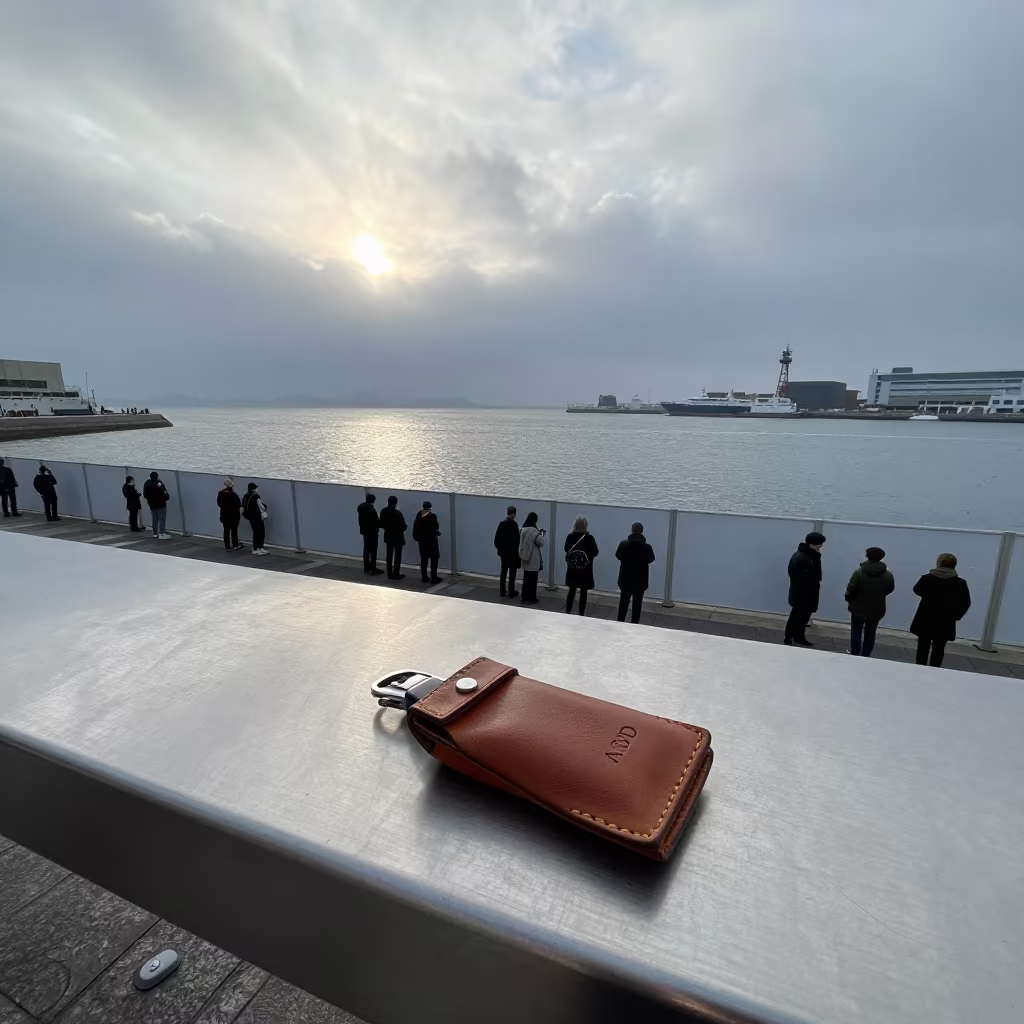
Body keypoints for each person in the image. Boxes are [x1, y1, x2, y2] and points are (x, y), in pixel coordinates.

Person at [910, 553, 972, 667]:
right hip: (946, 620)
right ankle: (935, 670)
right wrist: (956, 615)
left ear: (939, 563)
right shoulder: (960, 583)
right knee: (939, 648)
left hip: (926, 618)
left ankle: (919, 668)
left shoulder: (927, 578)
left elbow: (917, 590)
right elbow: (966, 602)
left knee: (923, 646)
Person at [844, 546, 895, 657]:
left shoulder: (859, 573)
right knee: (871, 632)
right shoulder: (888, 575)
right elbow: (890, 589)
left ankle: (855, 652)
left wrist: (850, 600)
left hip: (859, 606)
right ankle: (866, 654)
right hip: (877, 607)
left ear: (867, 556)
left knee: (856, 630)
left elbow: (851, 589)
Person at [784, 531, 826, 646]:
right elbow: (798, 577)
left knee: (804, 617)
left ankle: (799, 637)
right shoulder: (802, 558)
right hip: (802, 593)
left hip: (808, 592)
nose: (820, 547)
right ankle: (789, 638)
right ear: (811, 545)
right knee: (796, 616)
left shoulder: (810, 555)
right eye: (819, 545)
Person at [615, 522, 656, 624]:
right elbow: (651, 559)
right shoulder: (647, 547)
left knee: (623, 602)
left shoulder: (623, 544)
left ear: (632, 530)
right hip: (640, 580)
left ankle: (620, 621)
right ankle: (634, 624)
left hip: (625, 579)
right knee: (637, 604)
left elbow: (618, 555)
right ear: (642, 532)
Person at [563, 515, 599, 615]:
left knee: (572, 590)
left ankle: (568, 610)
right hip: (585, 569)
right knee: (583, 592)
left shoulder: (570, 537)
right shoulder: (589, 538)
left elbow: (566, 549)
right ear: (585, 526)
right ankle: (581, 613)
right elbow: (595, 552)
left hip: (572, 568)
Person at [517, 511, 545, 604]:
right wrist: (542, 534)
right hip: (533, 559)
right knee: (533, 580)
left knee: (526, 579)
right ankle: (532, 598)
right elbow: (541, 542)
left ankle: (524, 597)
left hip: (525, 557)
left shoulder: (522, 529)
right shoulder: (534, 531)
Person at [493, 506, 521, 598]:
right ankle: (511, 591)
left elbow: (496, 540)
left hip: (503, 553)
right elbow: (517, 540)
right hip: (512, 553)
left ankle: (502, 590)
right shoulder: (514, 525)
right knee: (512, 572)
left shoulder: (501, 524)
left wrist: (500, 550)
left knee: (503, 571)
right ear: (514, 514)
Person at [412, 500, 442, 584]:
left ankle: (424, 577)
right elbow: (436, 528)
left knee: (424, 559)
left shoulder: (418, 515)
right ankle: (433, 577)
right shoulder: (432, 516)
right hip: (431, 541)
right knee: (434, 559)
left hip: (422, 541)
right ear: (430, 507)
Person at [378, 495, 407, 580]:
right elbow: (403, 527)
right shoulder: (398, 514)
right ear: (396, 503)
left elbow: (381, 524)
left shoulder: (383, 511)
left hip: (388, 536)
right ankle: (396, 574)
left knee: (389, 555)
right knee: (397, 556)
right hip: (398, 537)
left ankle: (389, 574)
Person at [357, 493, 382, 575]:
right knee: (373, 550)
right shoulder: (372, 511)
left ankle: (366, 567)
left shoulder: (361, 508)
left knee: (366, 549)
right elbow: (377, 522)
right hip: (372, 532)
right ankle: (373, 567)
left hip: (365, 531)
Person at [217, 478, 243, 550]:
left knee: (226, 531)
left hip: (225, 515)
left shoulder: (221, 493)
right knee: (234, 531)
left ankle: (227, 546)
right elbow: (238, 504)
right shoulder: (232, 494)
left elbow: (219, 504)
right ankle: (235, 545)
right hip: (233, 515)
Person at [242, 481, 268, 555]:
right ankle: (258, 548)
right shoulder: (256, 496)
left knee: (256, 532)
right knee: (261, 532)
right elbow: (261, 506)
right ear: (254, 489)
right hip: (257, 516)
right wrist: (265, 506)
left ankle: (256, 548)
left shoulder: (245, 496)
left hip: (250, 517)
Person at [142, 472, 171, 538]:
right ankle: (162, 533)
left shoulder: (147, 483)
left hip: (152, 504)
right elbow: (164, 491)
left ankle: (155, 533)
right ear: (157, 476)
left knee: (154, 519)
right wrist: (166, 497)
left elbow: (145, 494)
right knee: (162, 519)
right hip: (161, 504)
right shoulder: (159, 483)